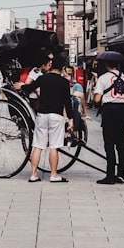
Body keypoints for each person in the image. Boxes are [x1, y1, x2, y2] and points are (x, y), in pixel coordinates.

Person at [26, 53, 74, 183]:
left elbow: (29, 88)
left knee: (38, 146)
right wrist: (70, 118)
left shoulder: (43, 78)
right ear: (63, 68)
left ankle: (34, 174)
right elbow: (67, 102)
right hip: (56, 116)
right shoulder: (64, 82)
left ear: (51, 65)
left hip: (42, 115)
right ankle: (53, 175)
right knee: (54, 146)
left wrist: (21, 86)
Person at [92, 56, 124, 185]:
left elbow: (97, 99)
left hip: (109, 110)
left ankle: (110, 175)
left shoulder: (103, 78)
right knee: (120, 144)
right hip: (122, 111)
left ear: (106, 65)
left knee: (109, 144)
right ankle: (120, 175)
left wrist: (103, 96)